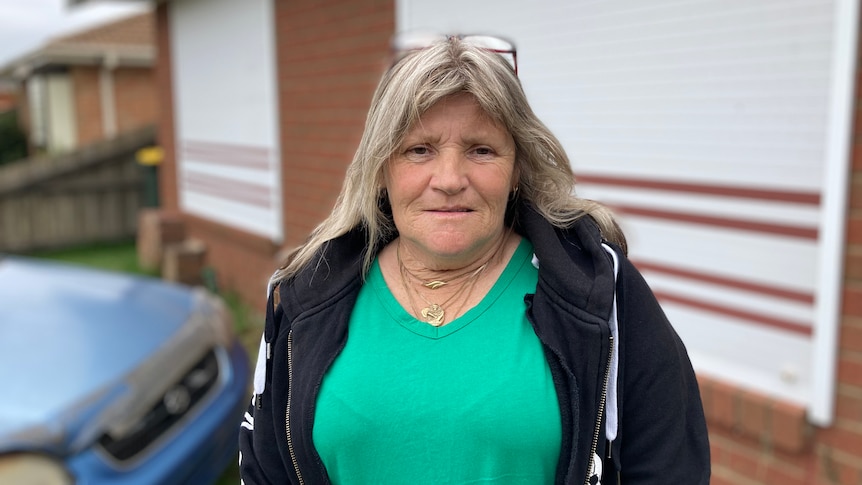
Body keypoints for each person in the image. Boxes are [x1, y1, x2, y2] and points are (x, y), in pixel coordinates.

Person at [239, 34, 710, 485]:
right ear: (381, 168)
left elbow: (669, 467)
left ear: (517, 168)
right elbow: (268, 471)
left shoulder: (597, 291)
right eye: (419, 150)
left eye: (481, 150)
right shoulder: (309, 295)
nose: (448, 178)